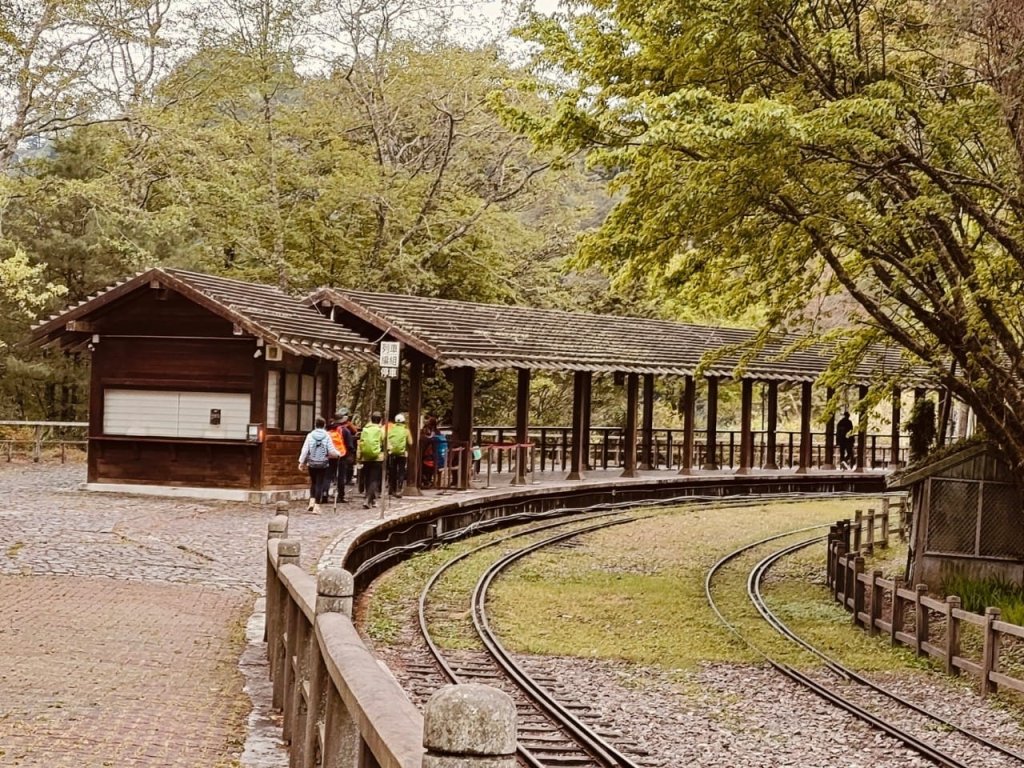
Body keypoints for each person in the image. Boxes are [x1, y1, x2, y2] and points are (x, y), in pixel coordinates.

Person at [298, 416, 341, 513]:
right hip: (323, 463)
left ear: (315, 425)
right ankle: (317, 506)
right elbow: (331, 450)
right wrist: (338, 454)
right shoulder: (327, 436)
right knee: (320, 483)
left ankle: (311, 502)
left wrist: (301, 462)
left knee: (313, 482)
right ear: (324, 425)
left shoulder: (310, 435)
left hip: (312, 462)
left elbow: (305, 450)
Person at [357, 411, 386, 509]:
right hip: (377, 458)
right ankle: (367, 499)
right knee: (374, 480)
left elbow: (361, 444)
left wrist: (359, 457)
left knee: (367, 478)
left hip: (366, 457)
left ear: (371, 419)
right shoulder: (381, 430)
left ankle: (372, 500)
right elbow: (385, 443)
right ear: (380, 420)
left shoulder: (365, 429)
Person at [330, 409, 358, 501]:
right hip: (342, 455)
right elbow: (350, 444)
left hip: (330, 454)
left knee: (329, 475)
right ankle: (340, 496)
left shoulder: (330, 428)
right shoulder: (345, 430)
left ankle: (325, 493)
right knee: (341, 476)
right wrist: (351, 452)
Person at [387, 413, 412, 497]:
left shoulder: (391, 429)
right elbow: (411, 442)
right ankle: (399, 488)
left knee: (392, 471)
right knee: (401, 471)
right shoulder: (406, 430)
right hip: (402, 454)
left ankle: (392, 489)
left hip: (392, 453)